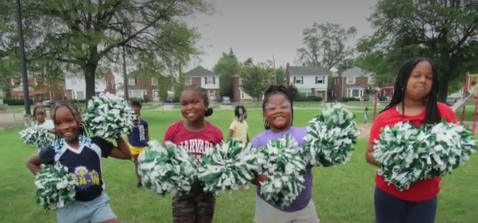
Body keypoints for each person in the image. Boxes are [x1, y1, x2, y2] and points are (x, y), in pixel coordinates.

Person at [365, 57, 457, 223]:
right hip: (389, 193)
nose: (423, 80)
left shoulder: (444, 113)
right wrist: (400, 162)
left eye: (428, 77)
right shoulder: (385, 117)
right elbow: (369, 154)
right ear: (403, 81)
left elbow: (455, 150)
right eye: (417, 75)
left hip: (426, 195)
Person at [25, 101, 132, 223]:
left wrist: (115, 131)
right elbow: (31, 163)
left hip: (98, 205)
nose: (65, 127)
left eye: (69, 120)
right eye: (58, 123)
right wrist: (48, 183)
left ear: (79, 119)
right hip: (69, 210)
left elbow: (126, 155)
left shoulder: (95, 143)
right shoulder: (54, 149)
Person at [251, 85, 319, 223]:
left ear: (291, 109)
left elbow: (316, 159)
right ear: (264, 114)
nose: (278, 111)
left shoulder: (305, 135)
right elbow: (251, 174)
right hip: (270, 207)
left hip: (303, 206)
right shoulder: (259, 141)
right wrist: (273, 182)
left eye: (284, 106)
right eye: (272, 108)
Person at [163, 85, 223, 223]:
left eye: (195, 102)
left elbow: (221, 162)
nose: (189, 107)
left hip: (205, 192)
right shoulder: (173, 131)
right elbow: (164, 159)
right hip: (181, 192)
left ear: (206, 105)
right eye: (184, 104)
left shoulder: (215, 133)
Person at [228, 105, 250, 190]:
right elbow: (229, 135)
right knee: (235, 166)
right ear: (241, 113)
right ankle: (234, 183)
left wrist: (249, 143)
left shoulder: (245, 123)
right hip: (235, 148)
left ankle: (244, 182)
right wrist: (227, 146)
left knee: (244, 165)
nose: (246, 113)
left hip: (244, 147)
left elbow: (244, 134)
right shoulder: (234, 123)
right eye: (245, 111)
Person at [128, 100, 149, 188]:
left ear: (139, 112)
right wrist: (131, 143)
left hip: (143, 147)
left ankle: (147, 179)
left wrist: (148, 143)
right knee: (137, 165)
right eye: (133, 112)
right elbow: (128, 135)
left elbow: (147, 134)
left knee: (144, 164)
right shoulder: (129, 124)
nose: (135, 114)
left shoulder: (144, 123)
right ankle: (140, 181)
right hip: (133, 148)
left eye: (137, 112)